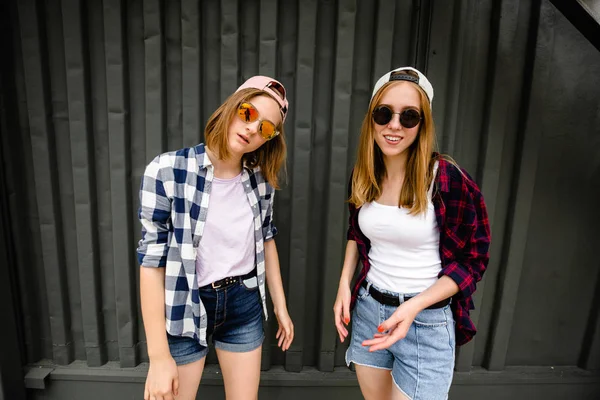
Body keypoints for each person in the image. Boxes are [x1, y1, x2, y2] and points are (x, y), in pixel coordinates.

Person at [333, 67, 491, 400]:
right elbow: (356, 233)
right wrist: (344, 286)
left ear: (422, 125)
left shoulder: (446, 179)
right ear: (372, 118)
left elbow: (472, 261)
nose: (394, 125)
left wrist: (413, 307)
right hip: (369, 312)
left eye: (409, 117)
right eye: (384, 113)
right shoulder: (363, 176)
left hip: (425, 323)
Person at [138, 76, 294, 400]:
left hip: (243, 303)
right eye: (249, 114)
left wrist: (280, 306)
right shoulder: (167, 171)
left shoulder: (260, 181)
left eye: (266, 128)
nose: (253, 129)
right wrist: (157, 356)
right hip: (185, 304)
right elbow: (151, 263)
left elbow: (266, 238)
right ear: (233, 107)